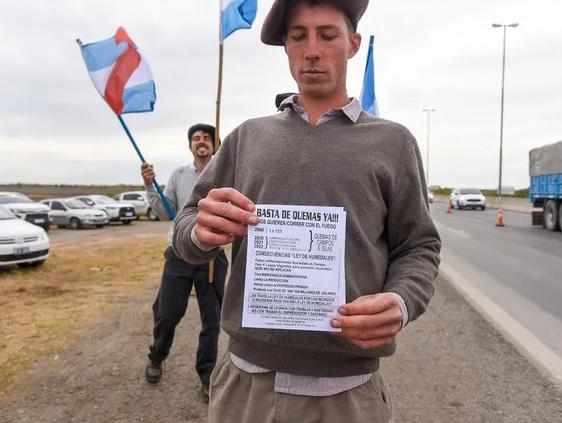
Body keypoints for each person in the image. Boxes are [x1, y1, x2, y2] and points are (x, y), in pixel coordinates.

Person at [173, 0, 441, 421]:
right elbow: (187, 224)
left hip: (348, 392)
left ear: (352, 44)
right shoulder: (248, 138)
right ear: (286, 47)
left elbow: (419, 246)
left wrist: (402, 300)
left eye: (328, 35)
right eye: (298, 36)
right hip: (244, 385)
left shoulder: (393, 142)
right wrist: (198, 233)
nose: (312, 49)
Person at [142, 123, 228, 402]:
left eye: (207, 138)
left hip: (213, 254)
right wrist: (149, 186)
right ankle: (157, 356)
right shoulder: (178, 175)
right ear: (190, 145)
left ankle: (207, 375)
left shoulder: (226, 172)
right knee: (167, 313)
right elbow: (165, 212)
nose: (201, 142)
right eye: (196, 138)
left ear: (216, 144)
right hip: (179, 252)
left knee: (212, 319)